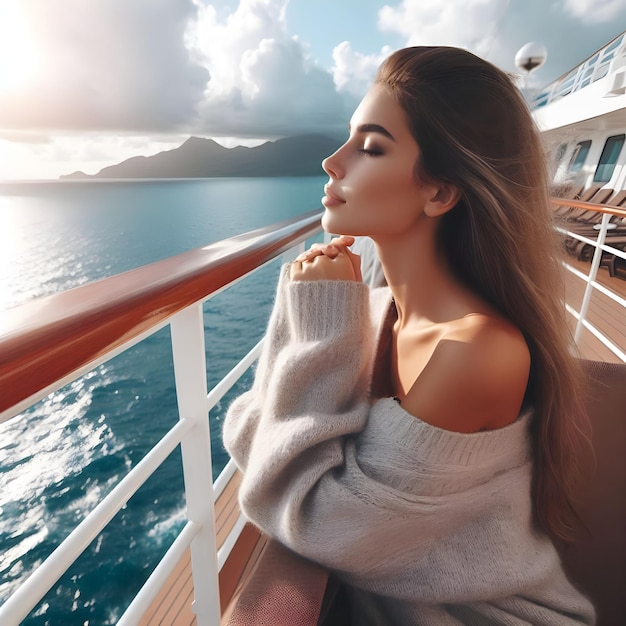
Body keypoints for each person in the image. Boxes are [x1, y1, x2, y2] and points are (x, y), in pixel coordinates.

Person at [223, 46, 595, 624]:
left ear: (440, 193)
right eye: (349, 138)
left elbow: (313, 520)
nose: (332, 161)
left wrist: (316, 319)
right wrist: (319, 316)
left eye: (371, 147)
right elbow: (258, 439)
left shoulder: (475, 353)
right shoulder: (376, 313)